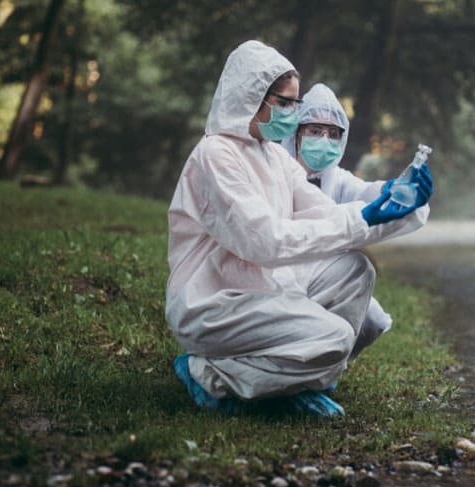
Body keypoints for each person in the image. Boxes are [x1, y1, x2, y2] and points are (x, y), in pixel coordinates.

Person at [166, 40, 433, 417]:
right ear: (251, 96)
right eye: (286, 102)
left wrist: (397, 206)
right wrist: (364, 216)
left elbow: (324, 216)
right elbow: (265, 241)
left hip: (262, 289)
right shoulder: (215, 156)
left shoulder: (272, 155)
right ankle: (209, 374)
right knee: (336, 337)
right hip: (215, 302)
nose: (295, 111)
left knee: (354, 270)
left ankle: (297, 382)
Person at [281, 83, 431, 359]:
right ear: (297, 134)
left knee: (371, 321)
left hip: (333, 276)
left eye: (332, 134)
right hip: (282, 275)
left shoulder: (337, 179)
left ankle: (327, 368)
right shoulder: (276, 173)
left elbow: (366, 193)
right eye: (315, 131)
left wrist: (401, 191)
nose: (324, 140)